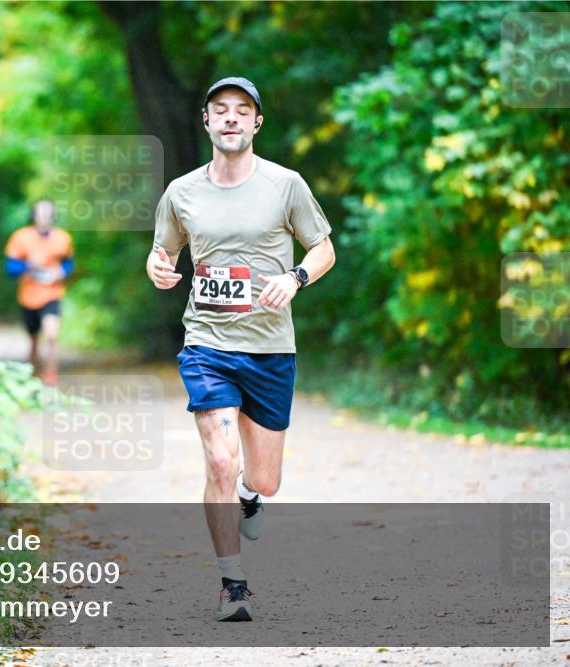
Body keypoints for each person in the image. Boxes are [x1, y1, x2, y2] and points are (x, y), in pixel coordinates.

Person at [146, 76, 336, 622]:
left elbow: (323, 247)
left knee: (264, 479)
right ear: (207, 122)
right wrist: (159, 269)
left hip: (271, 348)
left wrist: (296, 277)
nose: (231, 118)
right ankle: (233, 584)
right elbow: (162, 253)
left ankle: (251, 496)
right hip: (207, 343)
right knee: (220, 460)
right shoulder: (181, 192)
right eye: (220, 110)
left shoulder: (286, 185)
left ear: (257, 123)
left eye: (242, 111)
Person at [4, 199, 74, 386]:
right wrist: (28, 265)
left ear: (53, 216)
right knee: (34, 339)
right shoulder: (20, 238)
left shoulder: (63, 238)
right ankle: (32, 375)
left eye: (49, 213)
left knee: (51, 335)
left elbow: (69, 263)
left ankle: (51, 375)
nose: (45, 218)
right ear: (34, 216)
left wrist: (60, 272)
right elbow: (10, 268)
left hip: (52, 293)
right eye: (41, 213)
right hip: (28, 296)